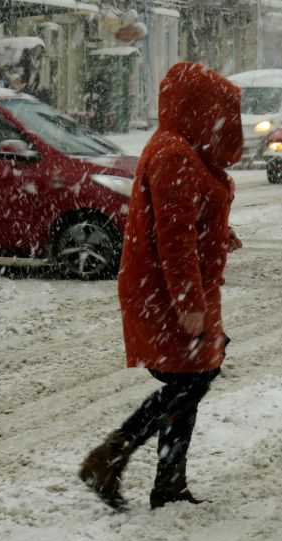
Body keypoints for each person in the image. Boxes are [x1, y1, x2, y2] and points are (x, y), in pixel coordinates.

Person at [79, 62, 244, 511]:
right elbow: (174, 237)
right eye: (217, 111)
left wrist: (219, 232)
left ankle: (161, 479)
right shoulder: (176, 153)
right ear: (197, 108)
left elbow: (184, 217)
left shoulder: (183, 148)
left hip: (177, 287)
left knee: (194, 378)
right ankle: (113, 457)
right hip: (168, 291)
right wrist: (188, 301)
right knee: (191, 380)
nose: (224, 123)